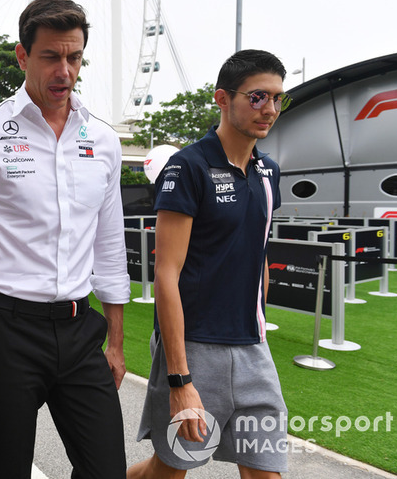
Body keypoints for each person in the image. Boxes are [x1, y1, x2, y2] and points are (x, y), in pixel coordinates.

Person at [0, 0, 129, 479]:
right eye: (50, 57)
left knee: (107, 469)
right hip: (6, 329)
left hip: (81, 330)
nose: (64, 70)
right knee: (9, 469)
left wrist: (117, 343)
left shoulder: (103, 141)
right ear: (22, 56)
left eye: (74, 57)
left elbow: (110, 246)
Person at [128, 50, 292, 479]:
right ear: (223, 98)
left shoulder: (269, 173)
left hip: (253, 348)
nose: (270, 109)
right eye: (258, 97)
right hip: (193, 348)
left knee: (266, 470)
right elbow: (167, 273)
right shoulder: (188, 166)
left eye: (278, 98)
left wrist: (259, 328)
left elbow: (259, 256)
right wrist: (181, 380)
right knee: (170, 471)